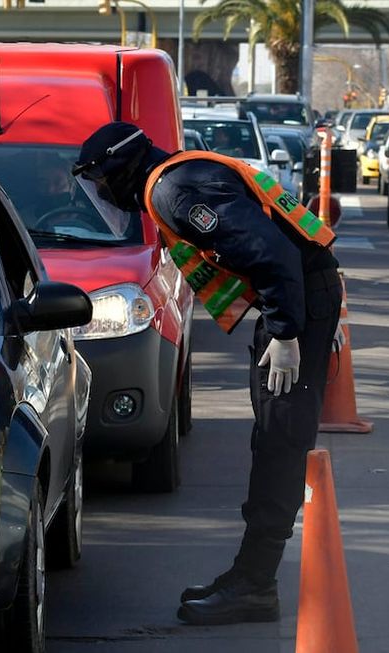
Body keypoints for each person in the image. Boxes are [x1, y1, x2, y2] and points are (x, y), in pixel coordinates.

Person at [73, 122, 343, 626]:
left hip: (294, 308)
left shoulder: (173, 190)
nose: (102, 193)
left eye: (99, 181)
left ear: (118, 169)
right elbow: (290, 243)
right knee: (273, 439)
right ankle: (249, 576)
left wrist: (289, 333)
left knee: (278, 443)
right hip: (302, 301)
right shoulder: (182, 174)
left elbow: (273, 253)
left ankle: (256, 585)